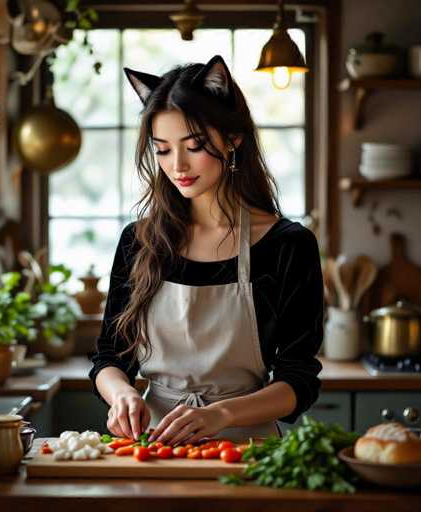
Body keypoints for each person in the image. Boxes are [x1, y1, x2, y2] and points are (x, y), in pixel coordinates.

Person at [89, 55, 323, 446]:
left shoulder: (288, 245)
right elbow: (110, 358)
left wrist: (221, 414)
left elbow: (298, 379)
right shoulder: (140, 241)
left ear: (233, 138)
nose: (177, 165)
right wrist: (123, 394)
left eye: (193, 145)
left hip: (247, 447)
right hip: (153, 444)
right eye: (162, 149)